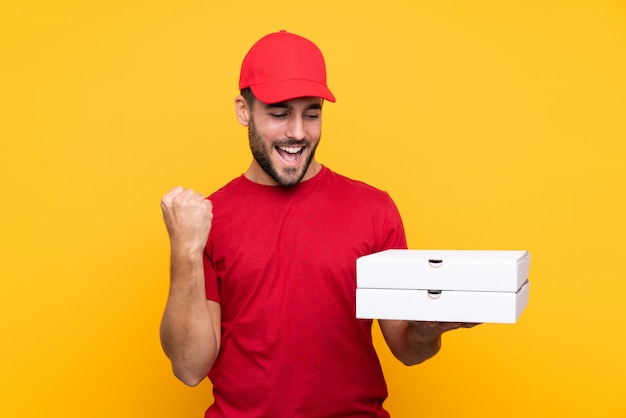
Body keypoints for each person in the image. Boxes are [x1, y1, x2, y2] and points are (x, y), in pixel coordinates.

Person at [160, 30, 476, 417]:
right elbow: (190, 368)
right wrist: (185, 251)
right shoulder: (208, 219)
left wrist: (428, 331)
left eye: (312, 113)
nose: (297, 132)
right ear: (244, 110)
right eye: (279, 113)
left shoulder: (374, 211)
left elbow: (408, 350)